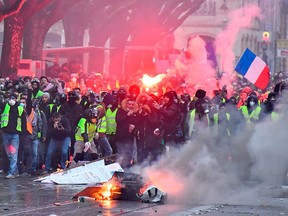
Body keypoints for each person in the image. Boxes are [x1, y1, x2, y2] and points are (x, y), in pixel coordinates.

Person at [0, 93, 26, 178]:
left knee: (13, 153)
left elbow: (23, 122)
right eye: (10, 98)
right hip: (6, 133)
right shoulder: (5, 106)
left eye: (13, 98)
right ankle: (15, 171)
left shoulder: (20, 108)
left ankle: (12, 172)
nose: (12, 100)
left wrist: (23, 134)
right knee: (9, 154)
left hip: (15, 134)